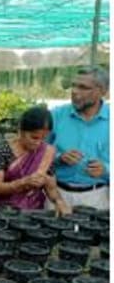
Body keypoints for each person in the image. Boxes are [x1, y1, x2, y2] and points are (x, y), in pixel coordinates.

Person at [0, 106, 69, 214]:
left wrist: (58, 201)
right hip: (3, 212)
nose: (38, 143)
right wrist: (22, 183)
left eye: (43, 138)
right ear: (20, 131)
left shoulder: (46, 152)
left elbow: (51, 187)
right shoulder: (3, 150)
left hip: (33, 211)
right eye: (34, 137)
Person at [49, 67, 109, 211]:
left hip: (97, 197)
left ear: (102, 91)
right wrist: (58, 158)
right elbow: (35, 153)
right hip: (56, 195)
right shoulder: (55, 116)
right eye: (74, 86)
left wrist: (106, 170)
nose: (75, 91)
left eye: (83, 87)